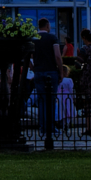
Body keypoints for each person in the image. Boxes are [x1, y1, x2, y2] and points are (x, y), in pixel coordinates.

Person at [31, 21, 64, 150]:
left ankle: (43, 127)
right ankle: (50, 128)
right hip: (51, 71)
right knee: (51, 100)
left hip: (39, 71)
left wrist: (34, 68)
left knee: (41, 100)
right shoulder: (52, 38)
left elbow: (29, 56)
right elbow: (57, 55)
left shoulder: (34, 38)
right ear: (48, 26)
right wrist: (61, 71)